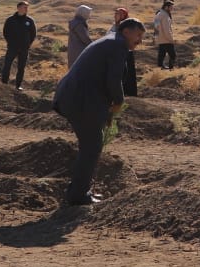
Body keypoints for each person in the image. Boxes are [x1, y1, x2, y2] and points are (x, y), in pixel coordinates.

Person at [53, 18, 144, 206]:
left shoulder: (111, 40)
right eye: (138, 35)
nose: (140, 41)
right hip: (80, 99)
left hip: (77, 98)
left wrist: (107, 112)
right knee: (92, 146)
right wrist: (118, 102)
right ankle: (78, 195)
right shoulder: (118, 44)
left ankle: (77, 191)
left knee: (91, 145)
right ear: (127, 31)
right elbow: (114, 79)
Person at [0, 1, 36, 90]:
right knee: (7, 65)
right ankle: (4, 84)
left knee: (21, 67)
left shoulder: (29, 21)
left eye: (27, 7)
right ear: (18, 8)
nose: (26, 9)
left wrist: (28, 44)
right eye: (24, 7)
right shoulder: (10, 20)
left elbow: (33, 34)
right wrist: (10, 42)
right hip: (12, 47)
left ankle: (18, 85)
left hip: (24, 48)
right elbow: (5, 32)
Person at [110, 6, 139, 97]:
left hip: (125, 52)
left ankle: (128, 93)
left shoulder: (126, 26)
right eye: (115, 13)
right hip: (115, 52)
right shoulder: (116, 25)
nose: (115, 15)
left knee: (127, 74)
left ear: (123, 15)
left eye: (117, 14)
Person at [152, 0, 176, 69]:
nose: (172, 9)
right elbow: (166, 30)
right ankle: (171, 69)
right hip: (166, 39)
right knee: (173, 55)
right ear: (166, 7)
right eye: (171, 7)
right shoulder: (165, 16)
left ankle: (159, 68)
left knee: (161, 55)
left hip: (160, 39)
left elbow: (155, 26)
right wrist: (171, 39)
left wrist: (156, 37)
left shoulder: (158, 14)